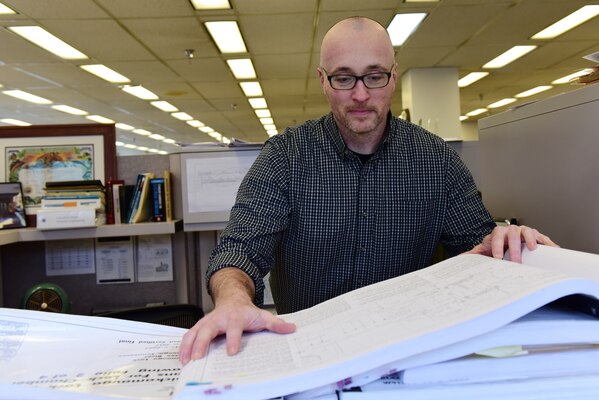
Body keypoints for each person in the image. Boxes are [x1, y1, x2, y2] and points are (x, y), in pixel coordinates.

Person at [179, 16, 556, 365]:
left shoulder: (436, 161)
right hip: (310, 355)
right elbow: (239, 248)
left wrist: (503, 241)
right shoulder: (286, 157)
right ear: (323, 80)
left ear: (393, 77)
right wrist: (231, 299)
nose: (360, 95)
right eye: (344, 78)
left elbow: (476, 249)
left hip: (409, 353)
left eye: (373, 76)